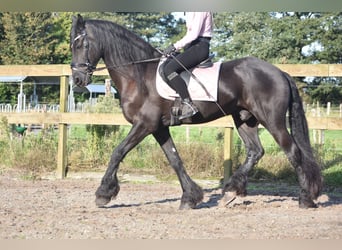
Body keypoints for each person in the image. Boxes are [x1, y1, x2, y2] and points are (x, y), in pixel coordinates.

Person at [163, 12, 213, 120]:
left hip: (200, 47)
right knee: (168, 63)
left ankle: (188, 104)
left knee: (169, 69)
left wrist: (174, 46)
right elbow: (189, 35)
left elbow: (194, 34)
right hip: (191, 47)